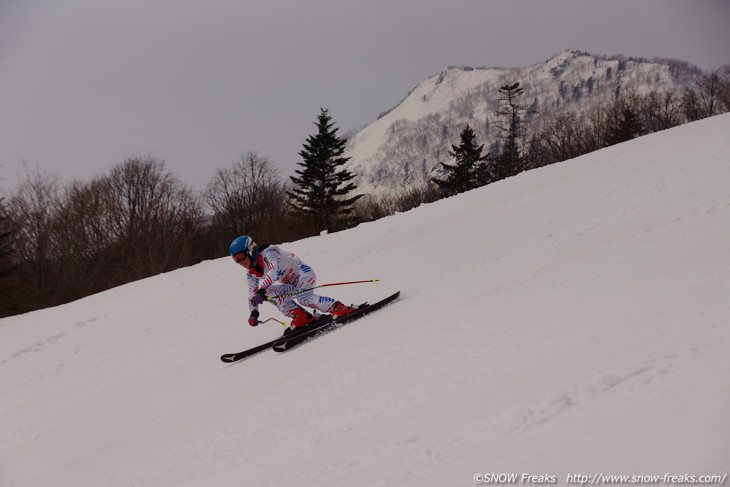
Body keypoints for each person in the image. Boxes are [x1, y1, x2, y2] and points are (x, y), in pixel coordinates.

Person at [230, 235, 356, 330]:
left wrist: (261, 291)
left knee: (303, 297)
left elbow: (273, 272)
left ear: (250, 251)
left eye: (240, 257)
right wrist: (254, 312)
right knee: (268, 293)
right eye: (235, 260)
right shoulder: (251, 273)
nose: (240, 262)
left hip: (303, 274)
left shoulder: (269, 253)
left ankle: (338, 307)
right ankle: (301, 316)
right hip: (291, 284)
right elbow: (252, 293)